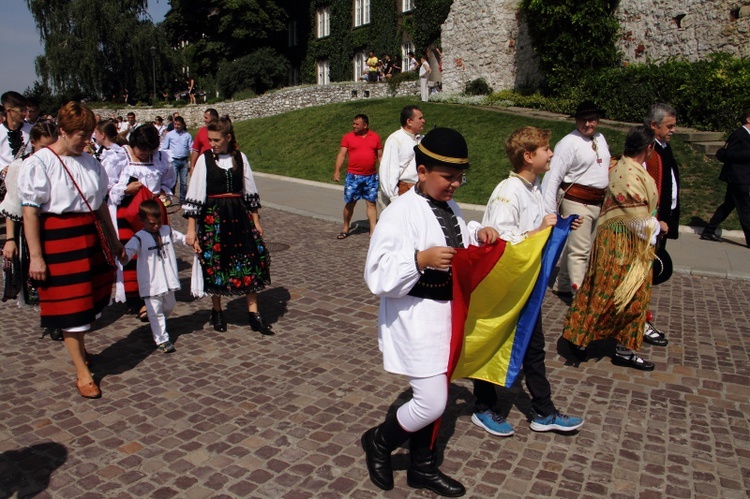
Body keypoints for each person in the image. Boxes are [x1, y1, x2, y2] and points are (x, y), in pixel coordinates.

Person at [363, 127, 498, 496]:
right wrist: (418, 260)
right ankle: (378, 441)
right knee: (432, 399)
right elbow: (376, 273)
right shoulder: (400, 212)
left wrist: (479, 233)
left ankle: (422, 466)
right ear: (422, 172)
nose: (455, 185)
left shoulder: (449, 206)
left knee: (436, 394)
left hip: (446, 317)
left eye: (459, 177)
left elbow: (455, 234)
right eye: (448, 177)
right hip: (415, 317)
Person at [473, 126, 584, 437]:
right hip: (507, 288)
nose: (551, 154)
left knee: (533, 347)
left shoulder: (532, 189)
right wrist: (540, 232)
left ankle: (542, 409)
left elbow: (535, 231)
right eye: (546, 149)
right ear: (528, 156)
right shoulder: (509, 193)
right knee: (495, 343)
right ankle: (484, 406)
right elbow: (498, 243)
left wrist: (560, 226)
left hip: (526, 285)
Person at [18, 101, 122, 399]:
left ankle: (81, 351)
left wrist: (114, 242)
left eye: (89, 134)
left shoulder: (90, 162)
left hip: (89, 236)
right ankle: (81, 371)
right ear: (62, 131)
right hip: (59, 240)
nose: (86, 140)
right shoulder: (39, 163)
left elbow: (100, 205)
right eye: (80, 134)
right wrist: (36, 256)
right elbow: (30, 212)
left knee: (87, 303)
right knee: (70, 308)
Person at [562, 126, 661, 371]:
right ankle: (613, 348)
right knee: (626, 295)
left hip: (617, 244)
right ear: (648, 149)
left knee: (601, 292)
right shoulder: (628, 173)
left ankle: (583, 340)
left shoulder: (623, 165)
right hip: (622, 247)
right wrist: (656, 227)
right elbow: (638, 218)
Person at [183, 118, 272, 335]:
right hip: (214, 218)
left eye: (216, 139)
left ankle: (254, 313)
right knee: (216, 262)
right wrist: (191, 229)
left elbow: (250, 191)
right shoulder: (204, 160)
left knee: (250, 258)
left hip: (239, 216)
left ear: (228, 138)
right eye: (210, 139)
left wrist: (256, 221)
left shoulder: (240, 158)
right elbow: (195, 194)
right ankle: (217, 310)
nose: (212, 143)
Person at [541, 100, 611, 296]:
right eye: (583, 120)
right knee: (580, 251)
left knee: (579, 246)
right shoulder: (568, 143)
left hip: (597, 202)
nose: (587, 124)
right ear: (576, 120)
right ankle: (581, 297)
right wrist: (549, 211)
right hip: (576, 202)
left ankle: (563, 283)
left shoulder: (600, 138)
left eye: (592, 120)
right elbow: (552, 177)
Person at [109, 125, 175, 316]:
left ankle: (152, 296)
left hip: (152, 212)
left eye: (150, 150)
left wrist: (164, 193)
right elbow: (106, 187)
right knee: (131, 256)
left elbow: (167, 182)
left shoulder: (161, 158)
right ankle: (134, 299)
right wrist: (125, 189)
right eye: (142, 149)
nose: (146, 154)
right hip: (127, 213)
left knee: (153, 255)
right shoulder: (120, 157)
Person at [1, 122, 59, 309]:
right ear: (33, 142)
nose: (49, 152)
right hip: (31, 230)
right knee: (38, 275)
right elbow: (13, 206)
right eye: (44, 147)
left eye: (53, 146)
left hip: (55, 228)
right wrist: (10, 239)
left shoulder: (61, 163)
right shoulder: (20, 166)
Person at [120, 200, 186, 354]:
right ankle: (162, 339)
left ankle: (155, 321)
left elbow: (181, 238)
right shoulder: (139, 237)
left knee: (170, 305)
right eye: (152, 223)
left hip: (168, 279)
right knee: (155, 310)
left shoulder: (166, 231)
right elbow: (128, 251)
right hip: (151, 282)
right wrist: (123, 255)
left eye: (158, 222)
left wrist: (191, 240)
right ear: (142, 221)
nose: (156, 226)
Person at [643, 103, 680, 346]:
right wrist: (655, 221)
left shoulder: (663, 147)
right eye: (669, 126)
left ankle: (641, 318)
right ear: (654, 125)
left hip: (663, 221)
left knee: (650, 275)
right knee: (643, 275)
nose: (673, 130)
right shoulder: (648, 150)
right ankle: (640, 321)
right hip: (651, 224)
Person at [701, 108, 750, 246]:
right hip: (737, 177)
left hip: (743, 176)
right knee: (745, 207)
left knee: (729, 205)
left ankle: (709, 230)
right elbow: (729, 154)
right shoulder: (739, 134)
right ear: (748, 119)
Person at [333, 114, 383, 239]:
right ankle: (345, 227)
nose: (354, 126)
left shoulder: (375, 137)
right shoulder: (348, 137)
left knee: (371, 203)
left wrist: (384, 172)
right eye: (353, 123)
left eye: (357, 124)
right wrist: (337, 171)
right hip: (353, 177)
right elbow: (342, 155)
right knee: (350, 203)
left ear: (365, 125)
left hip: (371, 177)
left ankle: (373, 230)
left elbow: (380, 156)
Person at [379, 105, 425, 206]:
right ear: (409, 121)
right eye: (420, 118)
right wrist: (394, 197)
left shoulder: (422, 140)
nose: (423, 121)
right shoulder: (395, 140)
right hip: (403, 191)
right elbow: (389, 169)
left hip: (419, 190)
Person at [161, 116, 193, 201]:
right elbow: (165, 148)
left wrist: (193, 159)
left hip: (184, 161)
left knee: (183, 182)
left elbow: (191, 148)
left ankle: (182, 199)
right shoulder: (169, 135)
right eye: (175, 124)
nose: (176, 126)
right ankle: (170, 198)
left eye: (178, 124)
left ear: (182, 125)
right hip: (174, 160)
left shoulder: (187, 135)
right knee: (173, 181)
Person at [0, 92, 33, 172]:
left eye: (25, 110)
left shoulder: (32, 130)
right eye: (21, 110)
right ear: (8, 110)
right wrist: (2, 169)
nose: (24, 113)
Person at [190, 108, 220, 173]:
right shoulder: (201, 131)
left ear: (213, 118)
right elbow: (195, 150)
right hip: (204, 165)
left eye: (206, 118)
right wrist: (192, 167)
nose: (204, 120)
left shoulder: (222, 131)